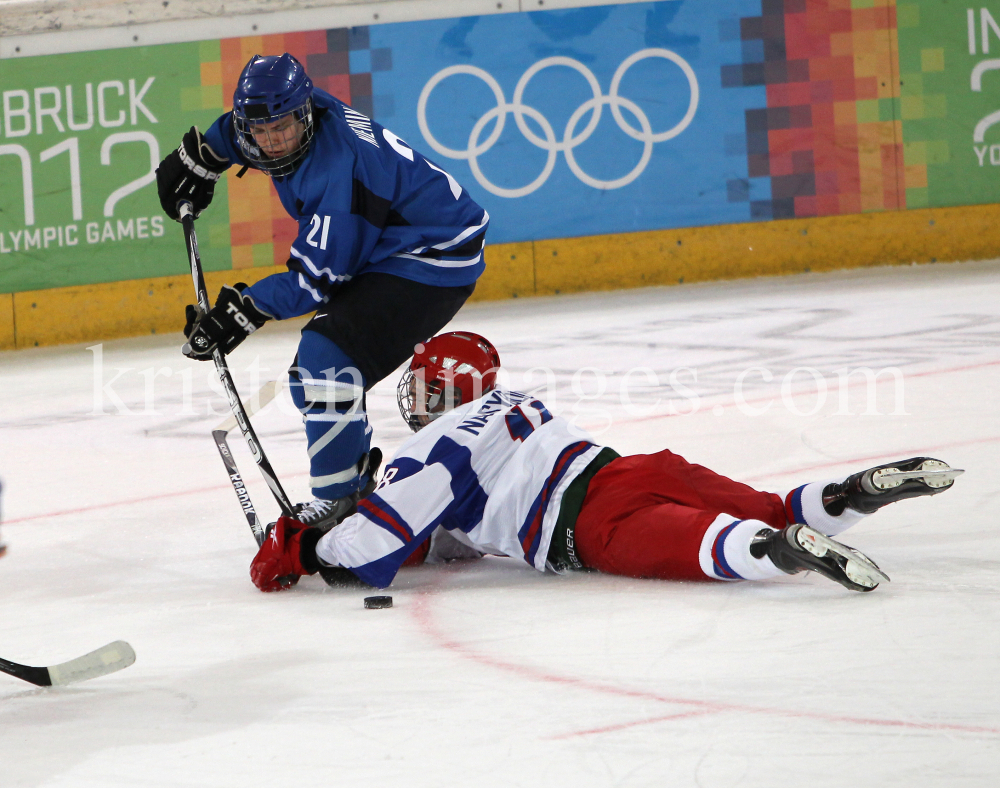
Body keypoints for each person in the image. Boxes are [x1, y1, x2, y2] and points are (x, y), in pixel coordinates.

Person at [248, 331, 963, 593]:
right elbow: (452, 535)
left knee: (713, 550)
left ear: (438, 390)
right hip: (632, 468)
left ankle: (784, 553)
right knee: (767, 503)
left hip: (590, 528)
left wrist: (303, 547)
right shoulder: (510, 402)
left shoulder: (427, 449)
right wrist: (402, 522)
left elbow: (367, 554)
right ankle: (851, 493)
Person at [155, 53, 488, 527]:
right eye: (261, 131)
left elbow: (316, 280)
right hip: (389, 240)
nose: (272, 142)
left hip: (432, 257)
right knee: (314, 381)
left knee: (327, 365)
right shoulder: (283, 116)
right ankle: (355, 485)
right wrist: (203, 157)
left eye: (282, 128)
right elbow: (236, 128)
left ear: (305, 113)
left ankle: (342, 503)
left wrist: (242, 310)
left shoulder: (339, 169)